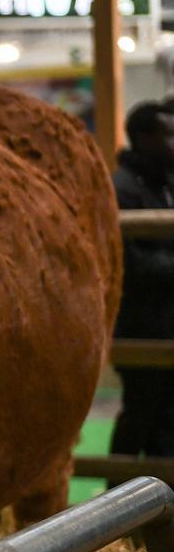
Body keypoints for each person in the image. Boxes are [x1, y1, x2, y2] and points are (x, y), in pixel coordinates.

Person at [110, 102, 174, 460]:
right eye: (168, 134)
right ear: (143, 138)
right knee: (140, 415)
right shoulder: (121, 188)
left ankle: (161, 509)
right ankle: (112, 505)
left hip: (166, 324)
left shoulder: (166, 182)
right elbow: (130, 263)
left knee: (166, 420)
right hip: (140, 325)